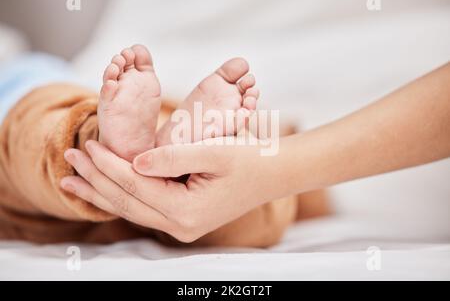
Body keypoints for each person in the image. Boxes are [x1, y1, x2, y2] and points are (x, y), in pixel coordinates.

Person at [62, 61, 450, 243]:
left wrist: (271, 170)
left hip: (281, 163)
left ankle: (126, 145)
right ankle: (159, 151)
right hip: (284, 166)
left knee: (53, 146)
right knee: (271, 205)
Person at [0, 45, 327, 246]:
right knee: (255, 201)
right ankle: (190, 163)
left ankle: (98, 142)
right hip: (132, 142)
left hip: (42, 108)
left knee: (33, 144)